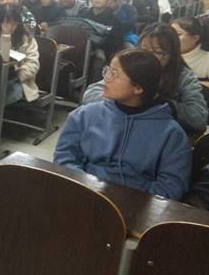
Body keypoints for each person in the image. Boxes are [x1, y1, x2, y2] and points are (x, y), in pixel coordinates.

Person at [54, 48, 191, 201]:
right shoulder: (83, 115)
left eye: (115, 74)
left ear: (138, 88)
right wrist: (87, 187)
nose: (106, 79)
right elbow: (64, 159)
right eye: (108, 71)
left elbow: (172, 186)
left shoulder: (171, 133)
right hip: (84, 194)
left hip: (138, 205)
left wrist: (131, 201)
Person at [83, 23, 208, 136]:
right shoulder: (129, 68)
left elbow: (199, 118)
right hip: (118, 129)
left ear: (171, 55)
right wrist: (126, 101)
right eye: (143, 50)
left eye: (157, 52)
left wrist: (160, 103)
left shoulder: (183, 76)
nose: (148, 56)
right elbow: (91, 94)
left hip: (157, 134)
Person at [80, 0, 124, 83]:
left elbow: (116, 45)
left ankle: (92, 88)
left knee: (99, 59)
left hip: (101, 52)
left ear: (109, 1)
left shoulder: (114, 21)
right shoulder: (83, 15)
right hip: (82, 49)